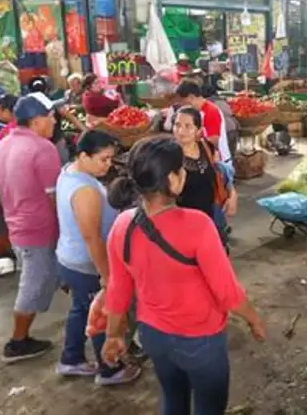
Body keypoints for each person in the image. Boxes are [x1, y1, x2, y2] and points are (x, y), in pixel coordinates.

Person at [100, 139, 266, 414]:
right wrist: (254, 319)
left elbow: (118, 289)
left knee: (173, 397)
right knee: (209, 406)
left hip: (153, 336)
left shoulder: (122, 225)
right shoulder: (198, 225)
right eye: (181, 169)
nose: (185, 173)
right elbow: (227, 292)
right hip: (200, 340)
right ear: (171, 180)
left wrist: (114, 334)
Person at [55, 130, 141, 385]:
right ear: (83, 155)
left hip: (69, 256)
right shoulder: (85, 191)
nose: (108, 165)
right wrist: (107, 275)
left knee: (81, 310)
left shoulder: (69, 172)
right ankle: (109, 369)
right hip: (86, 263)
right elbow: (92, 237)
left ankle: (70, 359)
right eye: (103, 159)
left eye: (110, 159)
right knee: (102, 314)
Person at [0, 95, 63, 363]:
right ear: (36, 121)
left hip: (16, 224)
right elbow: (55, 196)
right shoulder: (43, 149)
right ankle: (17, 342)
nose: (55, 120)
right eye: (50, 116)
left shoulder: (2, 144)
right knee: (34, 284)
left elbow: (0, 188)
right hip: (38, 228)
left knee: (47, 276)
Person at [171, 107, 237, 248]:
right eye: (177, 125)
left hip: (210, 218)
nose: (181, 131)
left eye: (188, 126)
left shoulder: (206, 147)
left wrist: (232, 194)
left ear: (199, 130)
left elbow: (219, 173)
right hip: (183, 226)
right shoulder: (169, 156)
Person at [29, 76, 86, 164]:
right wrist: (84, 129)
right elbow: (68, 115)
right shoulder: (54, 104)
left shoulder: (27, 105)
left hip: (40, 142)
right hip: (55, 141)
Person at [174, 81, 232, 165]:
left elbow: (213, 141)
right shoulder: (196, 111)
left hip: (218, 162)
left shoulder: (211, 112)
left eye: (182, 101)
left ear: (191, 97)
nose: (181, 105)